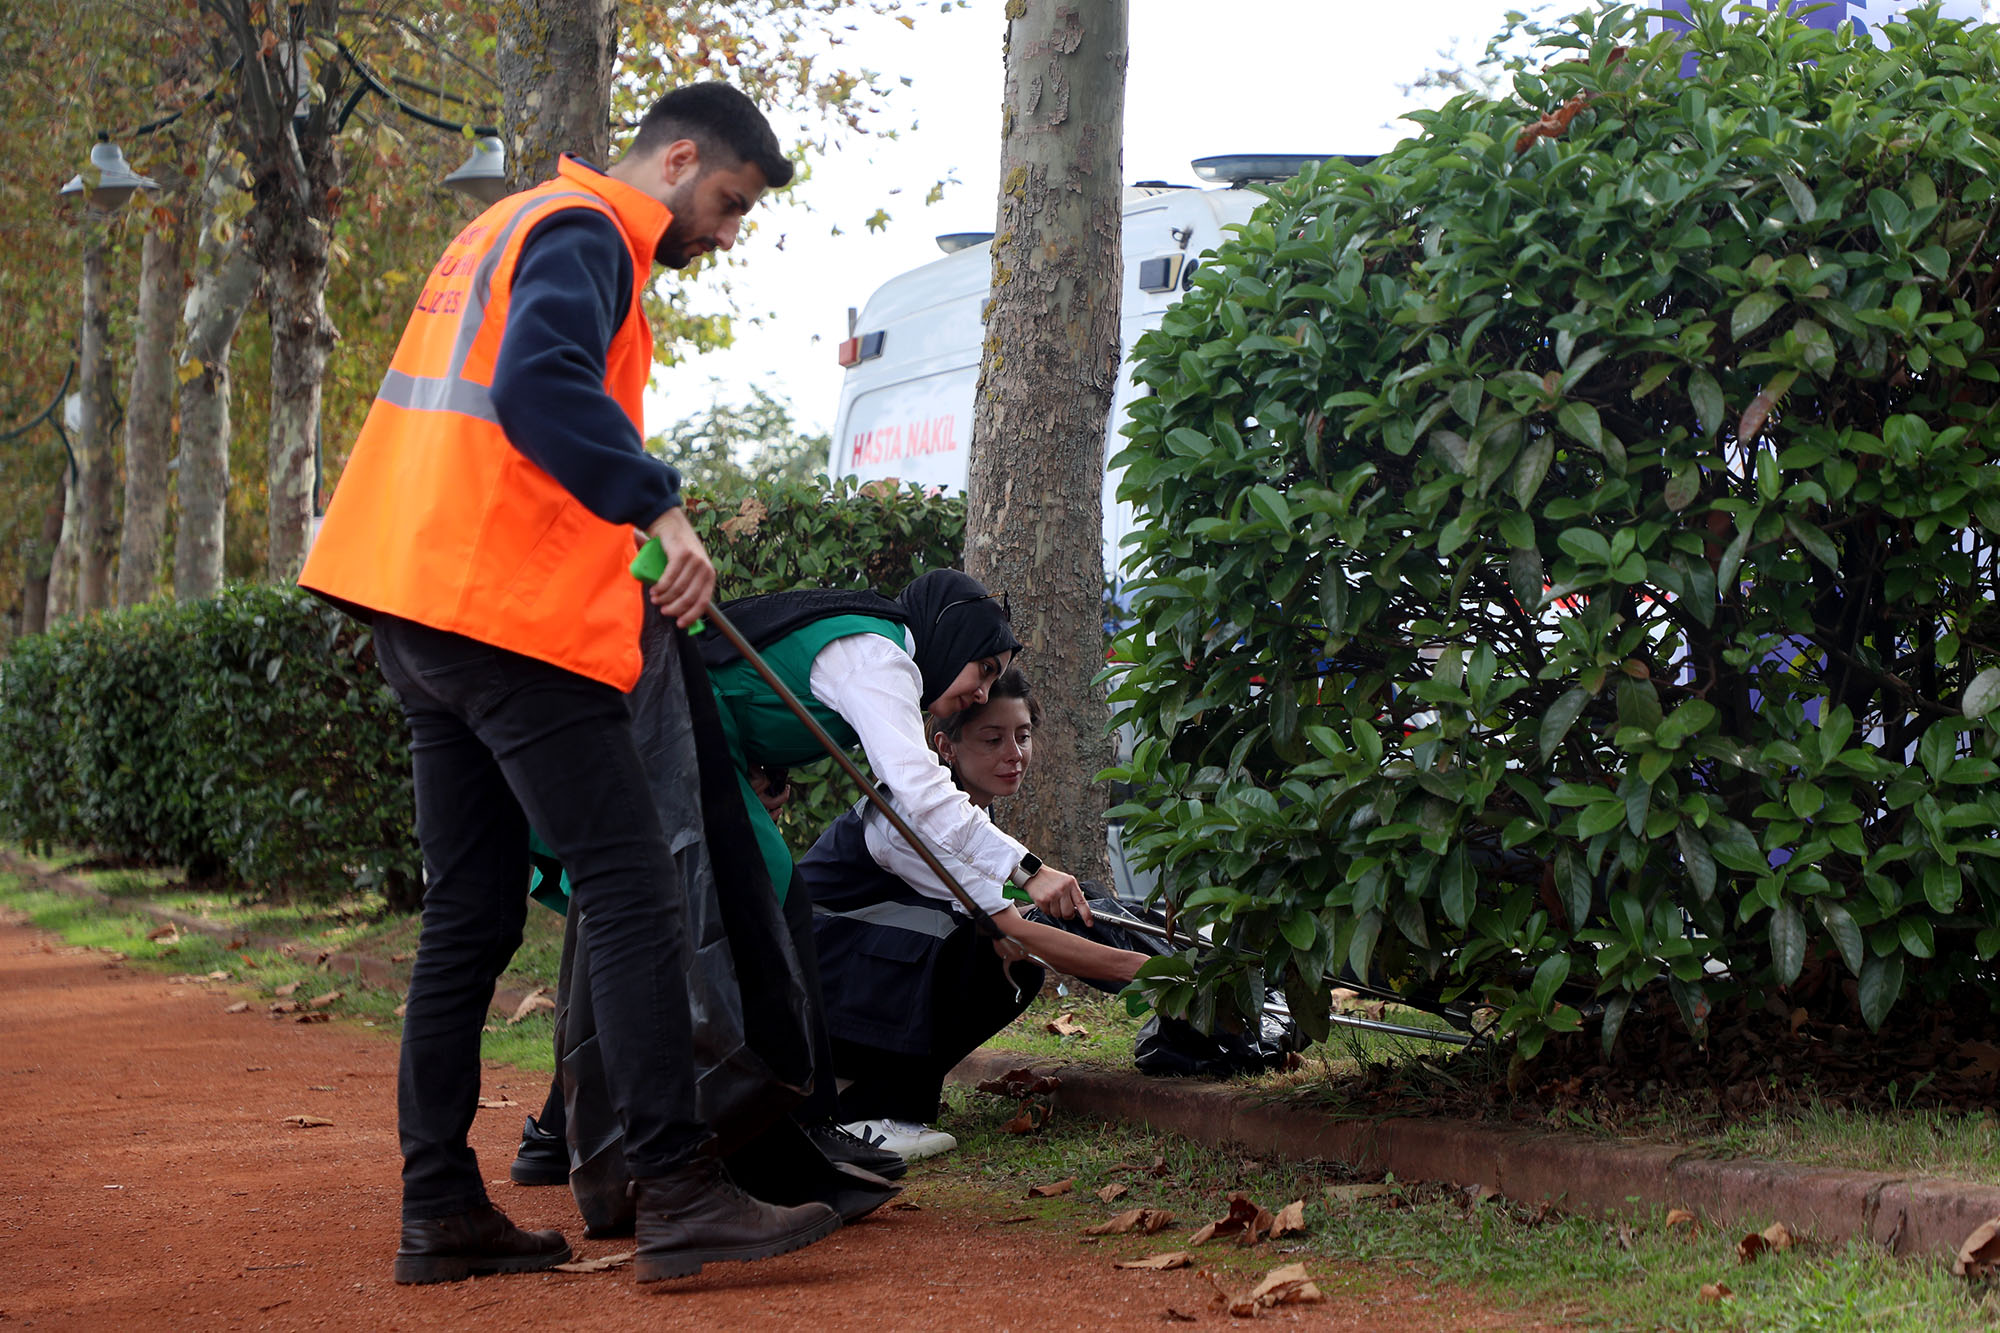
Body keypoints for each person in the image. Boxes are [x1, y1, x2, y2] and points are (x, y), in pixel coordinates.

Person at [298, 82, 841, 1287]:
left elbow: (495, 421)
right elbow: (541, 391)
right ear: (680, 158)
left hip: (418, 608)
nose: (724, 232)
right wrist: (656, 502)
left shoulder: (504, 224)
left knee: (471, 914)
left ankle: (438, 1207)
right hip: (506, 623)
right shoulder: (588, 230)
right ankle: (681, 1186)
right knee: (634, 886)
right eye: (727, 203)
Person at [800, 670, 1148, 1159]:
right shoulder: (915, 816)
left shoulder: (969, 819)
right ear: (945, 747)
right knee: (993, 955)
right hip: (807, 996)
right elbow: (1012, 929)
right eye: (992, 739)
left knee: (1029, 939)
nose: (1014, 754)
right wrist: (1157, 976)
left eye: (1023, 737)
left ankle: (861, 1091)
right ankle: (867, 1112)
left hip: (838, 987)